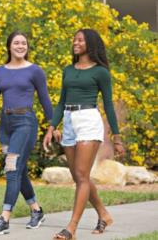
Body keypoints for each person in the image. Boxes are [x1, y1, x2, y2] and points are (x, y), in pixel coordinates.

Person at [43, 28, 125, 240]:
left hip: (88, 120)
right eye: (74, 39)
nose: (75, 42)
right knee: (80, 177)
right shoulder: (68, 70)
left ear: (91, 43)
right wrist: (52, 127)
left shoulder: (101, 72)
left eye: (80, 39)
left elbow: (107, 103)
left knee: (80, 176)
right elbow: (61, 102)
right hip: (69, 121)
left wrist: (116, 138)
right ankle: (104, 214)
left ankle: (71, 228)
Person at [0, 31, 53, 236]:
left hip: (25, 123)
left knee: (12, 167)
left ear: (27, 47)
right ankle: (36, 210)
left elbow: (45, 100)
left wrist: (52, 125)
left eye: (24, 43)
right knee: (18, 170)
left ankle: (4, 218)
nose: (21, 46)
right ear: (9, 46)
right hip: (6, 125)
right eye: (16, 42)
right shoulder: (1, 71)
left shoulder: (35, 71)